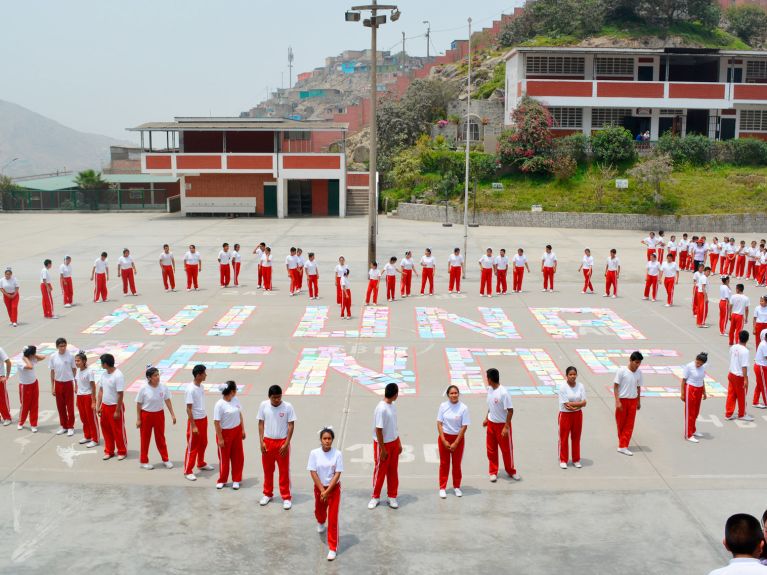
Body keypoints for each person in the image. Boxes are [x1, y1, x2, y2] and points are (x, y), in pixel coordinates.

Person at [308, 427, 343, 562]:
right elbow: (313, 471)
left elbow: (338, 473)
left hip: (333, 490)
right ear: (321, 440)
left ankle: (332, 547)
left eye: (329, 439)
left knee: (333, 519)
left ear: (332, 440)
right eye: (324, 438)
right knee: (320, 510)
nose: (327, 441)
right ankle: (321, 521)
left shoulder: (337, 454)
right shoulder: (314, 453)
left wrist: (328, 491)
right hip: (319, 488)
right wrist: (322, 490)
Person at [258, 384, 296, 509]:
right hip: (268, 442)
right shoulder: (264, 405)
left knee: (284, 471)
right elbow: (261, 423)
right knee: (268, 470)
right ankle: (267, 494)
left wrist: (286, 443)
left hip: (282, 443)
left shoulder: (287, 407)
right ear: (269, 397)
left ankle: (286, 496)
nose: (277, 400)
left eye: (279, 397)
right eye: (274, 398)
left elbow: (291, 425)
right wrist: (261, 441)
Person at [483, 368, 521, 482]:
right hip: (491, 424)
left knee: (506, 450)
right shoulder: (489, 389)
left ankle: (511, 470)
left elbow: (510, 410)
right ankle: (493, 471)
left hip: (501, 425)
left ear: (490, 379)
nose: (486, 380)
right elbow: (490, 406)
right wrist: (486, 418)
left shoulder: (504, 393)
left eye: (487, 378)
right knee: (491, 449)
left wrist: (506, 426)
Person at [135, 366, 176, 470]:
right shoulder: (143, 388)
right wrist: (138, 419)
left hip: (159, 415)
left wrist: (172, 414)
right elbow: (139, 404)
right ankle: (144, 461)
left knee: (160, 438)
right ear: (149, 378)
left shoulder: (163, 387)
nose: (158, 377)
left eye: (158, 375)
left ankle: (165, 459)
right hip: (146, 415)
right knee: (145, 439)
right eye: (155, 375)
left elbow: (167, 400)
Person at [369, 382, 401, 510]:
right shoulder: (381, 408)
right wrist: (382, 449)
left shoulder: (393, 406)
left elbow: (394, 426)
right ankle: (375, 497)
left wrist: (398, 442)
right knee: (380, 471)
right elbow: (378, 430)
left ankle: (392, 496)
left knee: (393, 470)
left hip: (393, 442)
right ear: (395, 394)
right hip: (383, 444)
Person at [437, 385, 470, 498]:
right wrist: (443, 440)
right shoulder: (443, 406)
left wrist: (456, 442)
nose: (454, 395)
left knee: (456, 464)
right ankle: (442, 487)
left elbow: (464, 426)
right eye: (451, 393)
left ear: (458, 394)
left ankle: (457, 486)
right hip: (445, 438)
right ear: (448, 395)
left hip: (458, 439)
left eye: (456, 393)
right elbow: (439, 423)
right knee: (444, 463)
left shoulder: (464, 408)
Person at [183, 364, 215, 481]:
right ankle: (188, 470)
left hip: (203, 418)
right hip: (195, 421)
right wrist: (193, 426)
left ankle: (201, 463)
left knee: (203, 442)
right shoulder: (190, 389)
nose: (206, 375)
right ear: (198, 375)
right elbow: (188, 409)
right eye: (204, 373)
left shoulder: (201, 387)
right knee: (193, 446)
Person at [213, 381, 245, 490]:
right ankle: (222, 480)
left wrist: (242, 429)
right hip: (225, 433)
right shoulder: (219, 405)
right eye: (235, 390)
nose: (236, 392)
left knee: (238, 457)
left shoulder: (235, 400)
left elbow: (239, 414)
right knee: (224, 458)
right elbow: (216, 422)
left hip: (236, 431)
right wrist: (220, 438)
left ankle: (236, 479)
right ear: (232, 391)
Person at [96, 353, 127, 461]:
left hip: (115, 406)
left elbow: (120, 394)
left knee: (118, 430)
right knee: (106, 430)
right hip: (105, 406)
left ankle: (122, 451)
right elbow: (101, 390)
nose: (101, 365)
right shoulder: (104, 374)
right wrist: (99, 405)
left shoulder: (118, 375)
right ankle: (109, 451)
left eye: (101, 363)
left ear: (105, 364)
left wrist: (118, 410)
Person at [614, 351, 643, 456]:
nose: (638, 365)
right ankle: (622, 443)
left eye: (639, 363)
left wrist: (639, 401)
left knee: (629, 424)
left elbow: (638, 387)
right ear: (630, 360)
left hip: (633, 400)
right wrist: (617, 401)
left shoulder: (639, 373)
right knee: (620, 423)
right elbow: (616, 386)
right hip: (622, 400)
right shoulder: (622, 371)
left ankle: (623, 446)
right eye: (636, 362)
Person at [558, 366, 587, 469]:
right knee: (564, 437)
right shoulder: (563, 387)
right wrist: (579, 404)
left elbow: (584, 403)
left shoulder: (581, 386)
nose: (572, 376)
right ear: (566, 376)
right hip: (565, 415)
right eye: (570, 374)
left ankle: (576, 459)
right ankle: (563, 459)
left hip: (578, 415)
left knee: (576, 437)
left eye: (574, 374)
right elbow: (567, 406)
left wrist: (575, 404)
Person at [49, 337, 76, 436]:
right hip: (58, 383)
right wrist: (53, 386)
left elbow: (74, 369)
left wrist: (75, 383)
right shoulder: (53, 357)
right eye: (61, 346)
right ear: (57, 347)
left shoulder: (71, 356)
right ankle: (63, 426)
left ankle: (70, 427)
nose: (63, 348)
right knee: (60, 407)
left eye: (64, 345)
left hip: (68, 383)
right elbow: (52, 372)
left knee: (70, 406)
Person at [727, 330, 753, 422]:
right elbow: (744, 366)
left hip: (731, 373)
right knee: (742, 396)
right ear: (747, 339)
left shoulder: (734, 347)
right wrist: (745, 379)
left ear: (738, 338)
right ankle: (742, 414)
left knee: (731, 394)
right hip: (739, 376)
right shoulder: (745, 351)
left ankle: (728, 413)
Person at [681, 352, 708, 443]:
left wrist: (704, 392)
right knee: (690, 413)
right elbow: (683, 380)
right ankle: (688, 435)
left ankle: (693, 429)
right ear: (695, 359)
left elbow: (702, 379)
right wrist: (683, 393)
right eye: (697, 362)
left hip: (699, 389)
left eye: (700, 364)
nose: (698, 365)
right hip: (690, 389)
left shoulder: (703, 367)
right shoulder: (689, 366)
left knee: (696, 412)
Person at [74, 352, 99, 448]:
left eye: (78, 361)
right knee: (83, 418)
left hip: (88, 396)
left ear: (84, 361)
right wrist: (77, 399)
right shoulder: (78, 371)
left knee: (91, 419)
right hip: (80, 397)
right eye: (75, 361)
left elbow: (93, 387)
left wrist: (93, 401)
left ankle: (95, 439)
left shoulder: (89, 371)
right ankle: (87, 436)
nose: (76, 362)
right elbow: (78, 385)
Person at [18, 345, 45, 432]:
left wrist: (34, 355)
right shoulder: (20, 362)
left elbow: (43, 357)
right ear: (27, 355)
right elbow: (30, 367)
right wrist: (26, 358)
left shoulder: (32, 357)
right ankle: (21, 422)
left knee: (34, 405)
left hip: (34, 383)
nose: (33, 356)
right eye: (32, 354)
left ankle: (33, 424)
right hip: (25, 386)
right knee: (25, 405)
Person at [754, 330, 767, 410]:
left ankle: (755, 401)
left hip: (760, 366)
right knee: (764, 386)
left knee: (759, 385)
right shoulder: (764, 345)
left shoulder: (763, 342)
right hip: (761, 367)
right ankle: (766, 402)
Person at [0, 346, 12, 425]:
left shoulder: (0, 349)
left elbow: (8, 362)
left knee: (2, 399)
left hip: (0, 377)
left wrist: (6, 376)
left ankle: (7, 417)